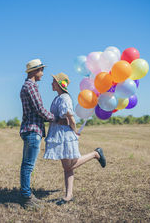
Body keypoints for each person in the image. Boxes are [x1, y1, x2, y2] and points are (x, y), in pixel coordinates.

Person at [44, 72, 106, 205]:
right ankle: (69, 195)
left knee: (68, 166)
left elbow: (70, 118)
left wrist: (75, 132)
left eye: (54, 81)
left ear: (60, 84)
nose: (51, 83)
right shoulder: (58, 98)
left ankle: (95, 154)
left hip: (65, 136)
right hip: (59, 135)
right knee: (68, 168)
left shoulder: (65, 98)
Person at [19, 59, 67, 209]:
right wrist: (57, 119)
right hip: (33, 130)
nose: (42, 73)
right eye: (41, 70)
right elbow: (40, 109)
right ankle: (26, 198)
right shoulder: (31, 87)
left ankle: (26, 194)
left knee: (26, 165)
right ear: (34, 71)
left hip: (29, 129)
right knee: (28, 165)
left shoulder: (27, 86)